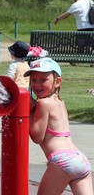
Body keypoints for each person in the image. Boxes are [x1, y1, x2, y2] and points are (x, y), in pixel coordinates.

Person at [24, 57, 93, 194]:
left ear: (57, 82)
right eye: (33, 80)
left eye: (43, 80)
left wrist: (30, 111)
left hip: (62, 161)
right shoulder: (61, 103)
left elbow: (37, 137)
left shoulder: (43, 104)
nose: (37, 84)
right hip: (79, 160)